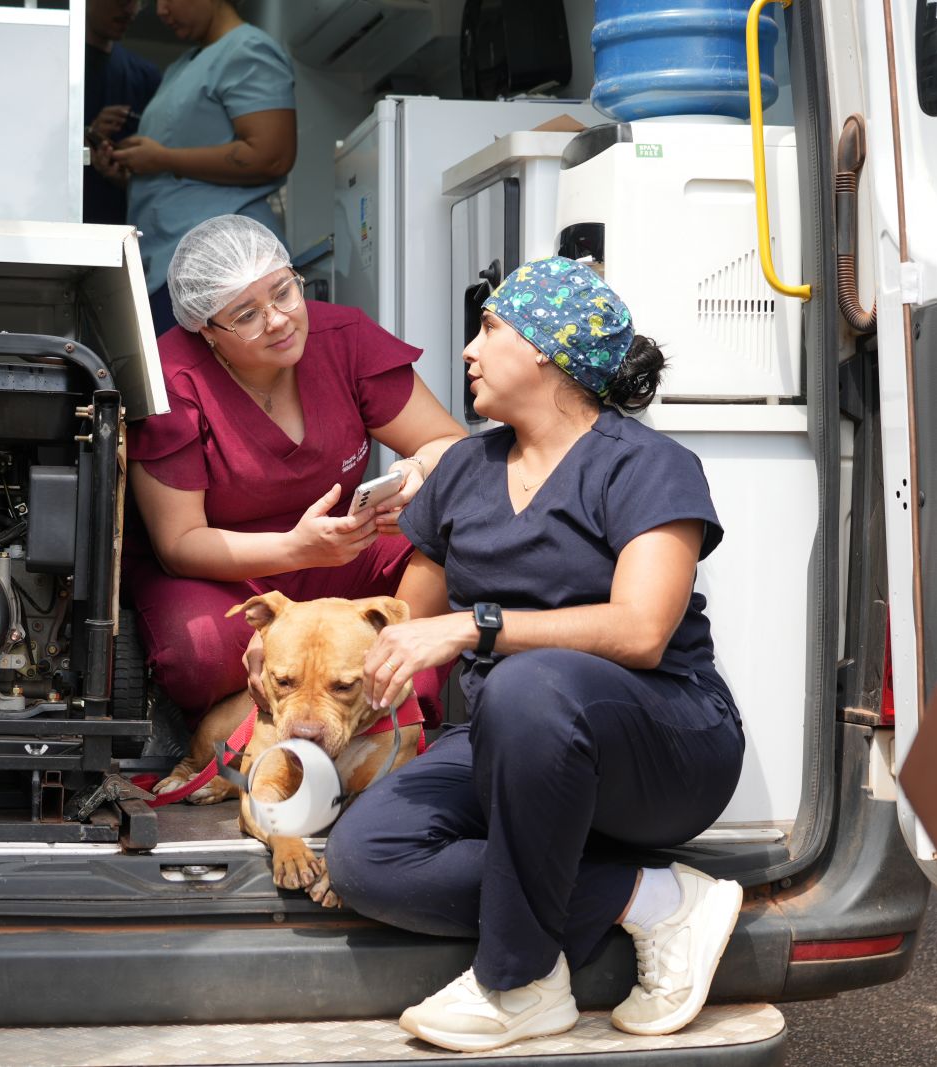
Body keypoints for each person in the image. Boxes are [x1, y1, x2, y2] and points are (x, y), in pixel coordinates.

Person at [320, 258, 748, 1053]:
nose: (468, 350)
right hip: (510, 743)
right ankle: (656, 901)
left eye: (490, 329)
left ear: (549, 350)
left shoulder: (648, 465)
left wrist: (476, 627)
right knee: (366, 856)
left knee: (525, 686)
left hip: (663, 749)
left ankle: (519, 982)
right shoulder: (461, 471)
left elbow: (641, 630)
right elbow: (405, 627)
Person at [124, 214, 466, 732]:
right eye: (246, 315)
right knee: (199, 655)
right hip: (226, 570)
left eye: (284, 292)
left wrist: (416, 471)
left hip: (343, 547)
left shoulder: (344, 337)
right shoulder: (173, 380)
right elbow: (179, 543)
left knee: (462, 531)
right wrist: (295, 549)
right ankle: (249, 727)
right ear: (205, 329)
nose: (278, 320)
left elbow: (450, 445)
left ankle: (391, 684)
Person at [96, 0, 296, 336]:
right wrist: (129, 176)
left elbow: (272, 155)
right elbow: (179, 181)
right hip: (170, 265)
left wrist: (163, 158)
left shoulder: (248, 49)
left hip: (224, 268)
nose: (161, 11)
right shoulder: (181, 67)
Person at [82, 0, 160, 225]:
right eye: (122, 1)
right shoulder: (56, 64)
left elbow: (158, 175)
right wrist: (85, 135)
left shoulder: (146, 77)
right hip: (60, 218)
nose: (131, 11)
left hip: (122, 224)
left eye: (138, 3)